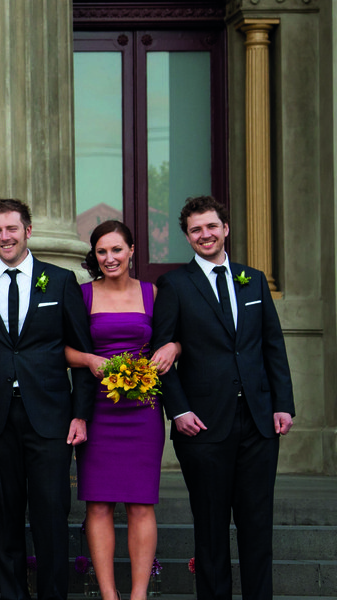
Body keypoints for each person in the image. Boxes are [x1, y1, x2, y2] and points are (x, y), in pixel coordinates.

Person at [151, 196, 294, 600]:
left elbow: (272, 347)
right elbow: (161, 352)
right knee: (211, 531)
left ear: (225, 228)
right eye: (196, 230)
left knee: (256, 527)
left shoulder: (253, 279)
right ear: (187, 236)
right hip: (203, 427)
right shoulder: (175, 285)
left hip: (259, 423)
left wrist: (282, 403)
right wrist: (178, 410)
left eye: (211, 226)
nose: (205, 235)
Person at [0, 199, 96, 600]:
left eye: (11, 229)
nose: (4, 237)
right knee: (7, 515)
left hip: (51, 416)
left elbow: (81, 353)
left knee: (52, 515)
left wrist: (81, 414)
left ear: (27, 231)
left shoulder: (62, 280)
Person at [63, 221, 179, 600]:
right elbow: (61, 349)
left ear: (131, 251)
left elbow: (171, 337)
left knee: (141, 504)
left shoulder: (153, 293)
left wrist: (174, 347)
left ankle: (139, 595)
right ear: (94, 256)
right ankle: (109, 594)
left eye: (116, 250)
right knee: (98, 504)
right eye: (101, 251)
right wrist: (90, 360)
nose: (109, 258)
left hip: (143, 411)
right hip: (97, 409)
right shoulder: (82, 295)